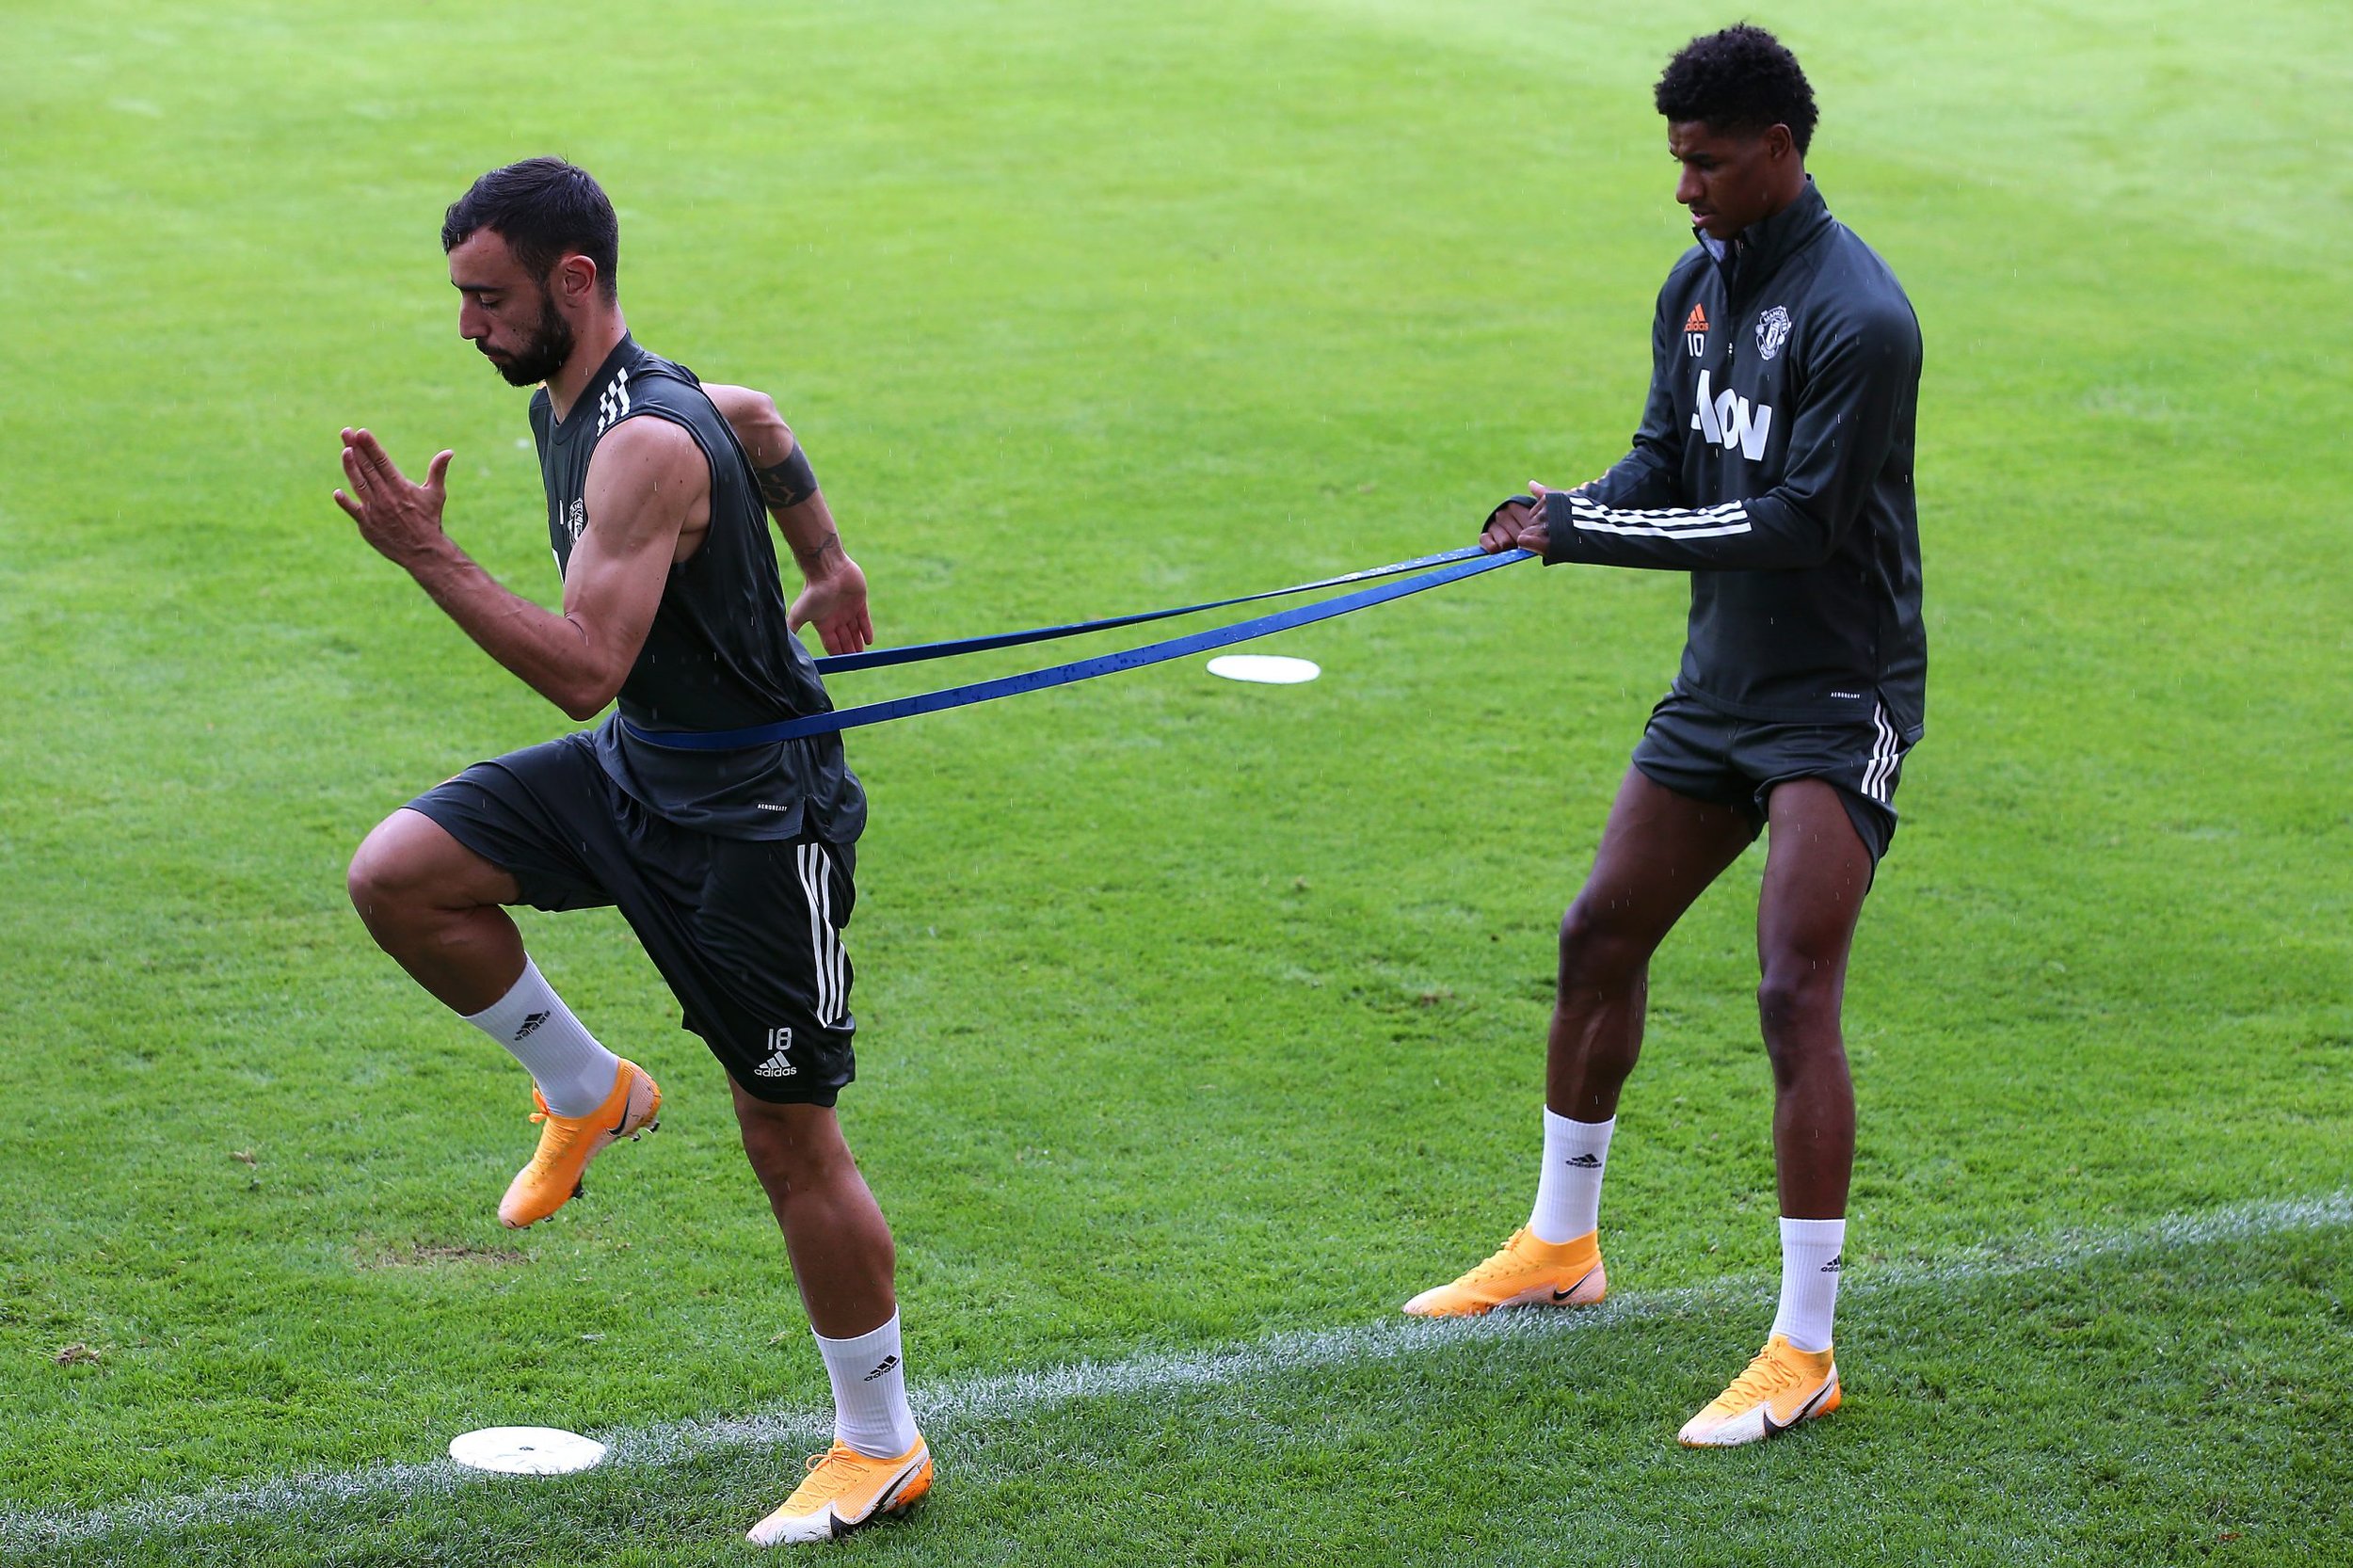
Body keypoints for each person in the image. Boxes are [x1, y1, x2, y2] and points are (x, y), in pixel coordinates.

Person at [335, 157, 928, 1543]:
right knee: (401, 875)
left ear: (575, 280)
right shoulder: (599, 401)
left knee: (789, 1140)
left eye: (488, 298)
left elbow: (586, 667)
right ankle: (586, 1085)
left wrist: (432, 556)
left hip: (750, 825)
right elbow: (762, 417)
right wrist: (826, 561)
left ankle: (881, 1442)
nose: (468, 325)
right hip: (639, 776)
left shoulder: (642, 441)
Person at [1405, 26, 1925, 1449]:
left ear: (1778, 148)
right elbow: (1668, 462)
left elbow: (1794, 523)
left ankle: (1804, 1346)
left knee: (1789, 982)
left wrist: (1595, 534)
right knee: (1599, 932)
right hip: (1721, 688)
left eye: (1704, 162)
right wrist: (1563, 502)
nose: (1682, 188)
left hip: (1837, 691)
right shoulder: (1696, 287)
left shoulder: (1861, 319)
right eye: (1675, 161)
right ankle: (1562, 1249)